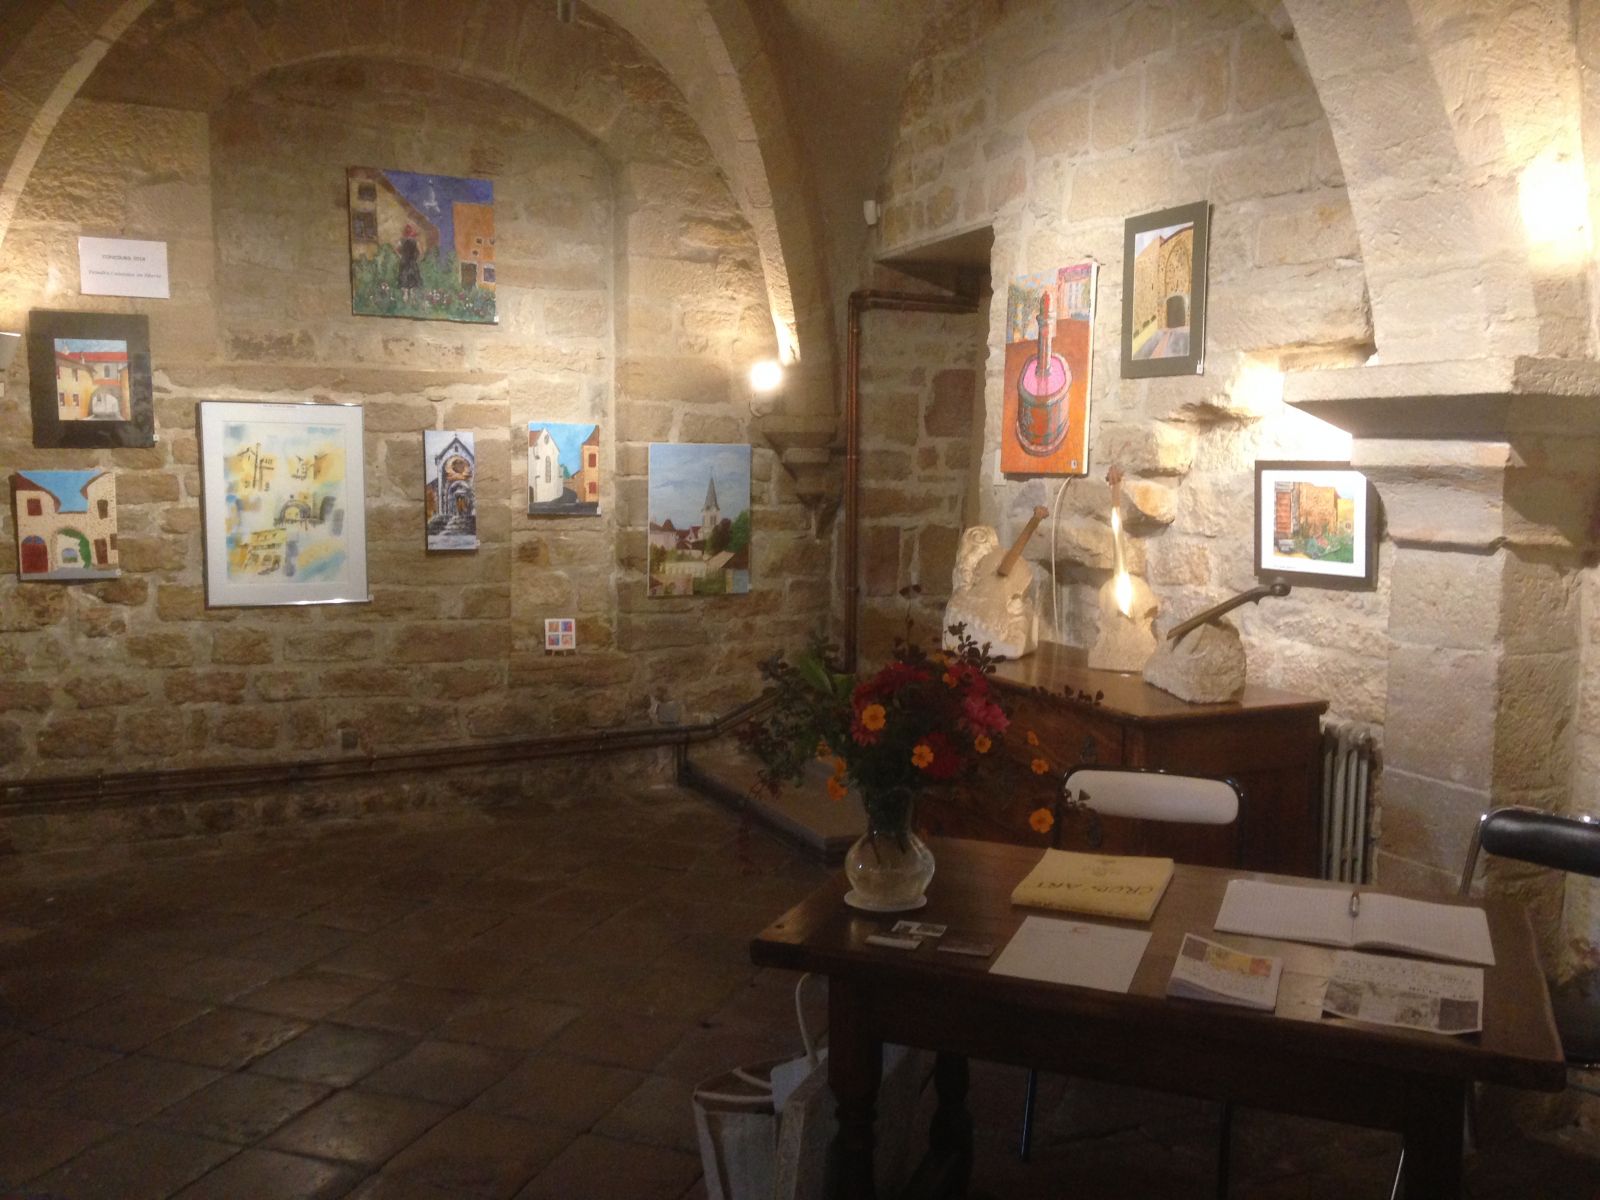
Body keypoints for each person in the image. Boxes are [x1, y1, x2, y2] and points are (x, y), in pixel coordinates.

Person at [397, 224, 422, 302]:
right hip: (412, 263)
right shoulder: (415, 242)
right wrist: (417, 259)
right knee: (412, 281)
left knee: (404, 280)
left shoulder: (401, 241)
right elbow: (420, 252)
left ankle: (406, 298)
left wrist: (401, 257)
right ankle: (412, 299)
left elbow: (397, 250)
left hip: (405, 262)